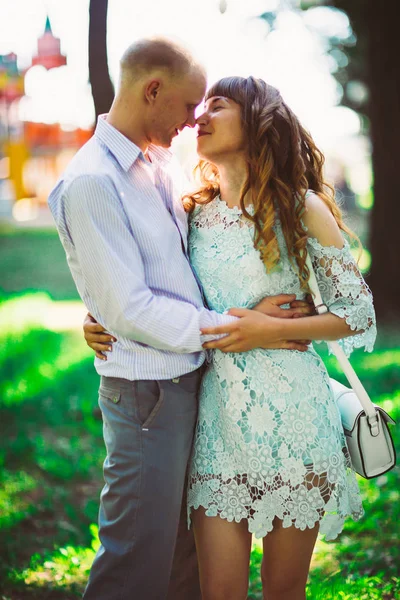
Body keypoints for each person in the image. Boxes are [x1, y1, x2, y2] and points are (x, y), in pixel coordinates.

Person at [87, 76, 376, 600]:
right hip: (217, 428)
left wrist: (268, 329)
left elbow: (358, 313)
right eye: (200, 106)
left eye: (218, 105)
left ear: (258, 119)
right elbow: (150, 289)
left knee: (284, 591)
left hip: (295, 423)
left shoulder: (301, 208)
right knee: (218, 593)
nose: (200, 115)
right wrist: (103, 318)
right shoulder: (192, 214)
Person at [48, 38, 313, 600]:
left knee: (180, 559)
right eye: (191, 103)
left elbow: (158, 273)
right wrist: (237, 326)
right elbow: (130, 306)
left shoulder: (157, 163)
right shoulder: (94, 179)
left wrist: (105, 308)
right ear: (152, 91)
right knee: (135, 559)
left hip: (190, 383)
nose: (194, 119)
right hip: (147, 392)